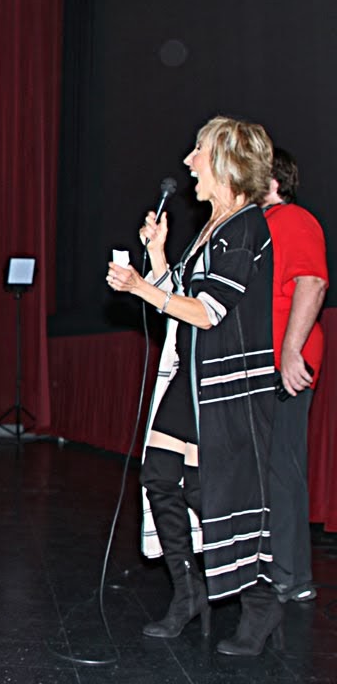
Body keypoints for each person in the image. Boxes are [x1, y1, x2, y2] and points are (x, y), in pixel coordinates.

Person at [107, 116, 278, 655]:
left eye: (198, 151)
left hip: (224, 386)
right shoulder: (213, 226)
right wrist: (157, 258)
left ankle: (261, 603)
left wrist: (141, 286)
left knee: (214, 492)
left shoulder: (246, 226)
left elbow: (206, 313)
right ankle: (189, 594)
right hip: (192, 378)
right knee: (159, 475)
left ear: (226, 160)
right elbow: (180, 301)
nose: (188, 162)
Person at [261, 148, 328, 604]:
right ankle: (269, 566)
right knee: (262, 469)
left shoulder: (294, 219)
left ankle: (292, 576)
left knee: (282, 468)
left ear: (272, 179)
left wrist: (290, 352)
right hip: (256, 364)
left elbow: (313, 282)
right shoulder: (254, 226)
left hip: (285, 363)